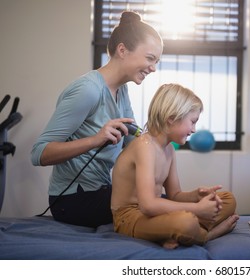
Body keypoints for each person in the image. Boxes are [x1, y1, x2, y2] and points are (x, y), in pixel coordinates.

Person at [31, 11, 163, 228]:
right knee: (160, 207)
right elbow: (38, 154)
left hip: (102, 190)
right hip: (72, 201)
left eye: (156, 61)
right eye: (150, 58)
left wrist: (161, 137)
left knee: (162, 202)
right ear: (122, 50)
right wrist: (95, 139)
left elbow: (133, 139)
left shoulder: (122, 91)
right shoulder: (88, 90)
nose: (153, 68)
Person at [111, 83, 239, 249]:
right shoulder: (144, 146)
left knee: (227, 199)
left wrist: (197, 195)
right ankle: (206, 235)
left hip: (154, 212)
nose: (193, 130)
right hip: (130, 217)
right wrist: (197, 209)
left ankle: (172, 234)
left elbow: (174, 194)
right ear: (171, 117)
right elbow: (148, 205)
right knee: (185, 221)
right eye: (192, 122)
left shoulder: (169, 149)